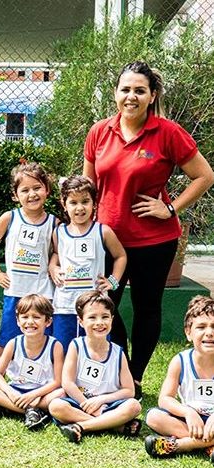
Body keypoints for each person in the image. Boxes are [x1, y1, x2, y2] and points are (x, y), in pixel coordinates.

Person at [83, 61, 214, 398]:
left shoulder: (168, 132)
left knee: (147, 307)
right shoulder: (99, 132)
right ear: (115, 93)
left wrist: (169, 207)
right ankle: (121, 365)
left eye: (140, 90)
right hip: (108, 242)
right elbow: (88, 185)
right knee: (103, 301)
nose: (132, 96)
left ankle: (135, 378)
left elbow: (204, 176)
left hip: (154, 242)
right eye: (125, 89)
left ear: (152, 95)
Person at [0, 162, 57, 359]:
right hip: (15, 291)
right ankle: (0, 374)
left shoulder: (54, 222)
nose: (32, 194)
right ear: (15, 195)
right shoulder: (10, 218)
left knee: (43, 338)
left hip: (42, 291)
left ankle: (41, 375)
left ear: (47, 189)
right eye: (25, 190)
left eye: (37, 188)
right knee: (7, 337)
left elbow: (59, 251)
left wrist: (53, 265)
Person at [48, 291, 142, 443]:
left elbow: (129, 391)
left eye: (105, 317)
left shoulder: (118, 353)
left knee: (134, 406)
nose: (99, 322)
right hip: (80, 402)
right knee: (56, 406)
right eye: (92, 317)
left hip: (109, 405)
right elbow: (68, 383)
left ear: (112, 319)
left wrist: (101, 401)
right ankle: (114, 426)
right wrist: (86, 404)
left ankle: (82, 426)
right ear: (81, 321)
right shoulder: (76, 346)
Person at [48, 176, 126, 351]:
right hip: (65, 306)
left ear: (94, 203)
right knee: (63, 350)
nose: (80, 208)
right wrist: (52, 267)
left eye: (85, 201)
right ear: (64, 203)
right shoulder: (59, 233)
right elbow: (56, 254)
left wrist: (112, 281)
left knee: (96, 350)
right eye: (73, 202)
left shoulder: (103, 231)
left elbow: (120, 256)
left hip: (95, 308)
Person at [0, 294, 63, 430]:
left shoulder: (55, 346)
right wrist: (10, 393)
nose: (30, 322)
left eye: (36, 317)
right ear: (17, 321)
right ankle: (32, 412)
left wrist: (34, 395)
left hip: (40, 394)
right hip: (15, 390)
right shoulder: (13, 343)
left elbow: (58, 381)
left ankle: (7, 407)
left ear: (48, 321)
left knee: (62, 392)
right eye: (25, 317)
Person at [145, 295, 214, 460]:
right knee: (153, 416)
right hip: (191, 422)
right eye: (201, 327)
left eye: (213, 326)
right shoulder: (180, 361)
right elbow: (165, 399)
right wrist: (188, 412)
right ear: (188, 333)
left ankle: (181, 445)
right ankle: (209, 444)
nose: (209, 333)